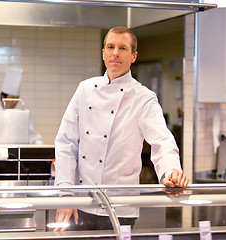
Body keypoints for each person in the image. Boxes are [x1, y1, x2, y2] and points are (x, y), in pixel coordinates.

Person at [54, 26, 189, 231]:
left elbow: (162, 141)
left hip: (121, 207)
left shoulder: (143, 97)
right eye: (110, 47)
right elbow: (66, 142)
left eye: (123, 48)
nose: (115, 53)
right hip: (81, 202)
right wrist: (65, 193)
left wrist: (171, 171)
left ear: (133, 56)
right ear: (103, 53)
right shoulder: (84, 89)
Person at [0, 66, 44, 145]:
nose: (15, 102)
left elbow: (35, 138)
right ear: (3, 97)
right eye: (12, 98)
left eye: (17, 98)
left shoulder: (21, 116)